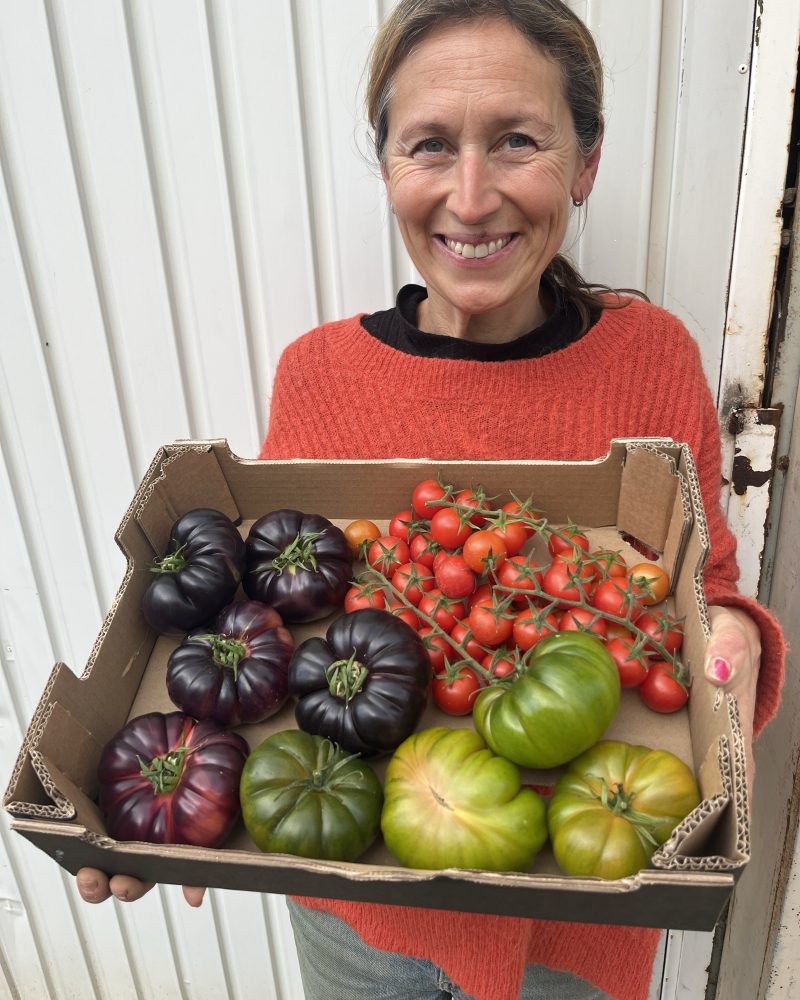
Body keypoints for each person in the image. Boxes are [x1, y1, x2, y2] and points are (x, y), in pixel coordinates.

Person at [76, 2, 784, 998]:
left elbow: (694, 593)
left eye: (515, 141)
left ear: (583, 163)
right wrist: (172, 804)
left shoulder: (648, 356)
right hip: (360, 911)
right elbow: (274, 625)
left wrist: (736, 640)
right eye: (428, 145)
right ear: (386, 169)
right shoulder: (318, 373)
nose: (471, 193)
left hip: (577, 921)